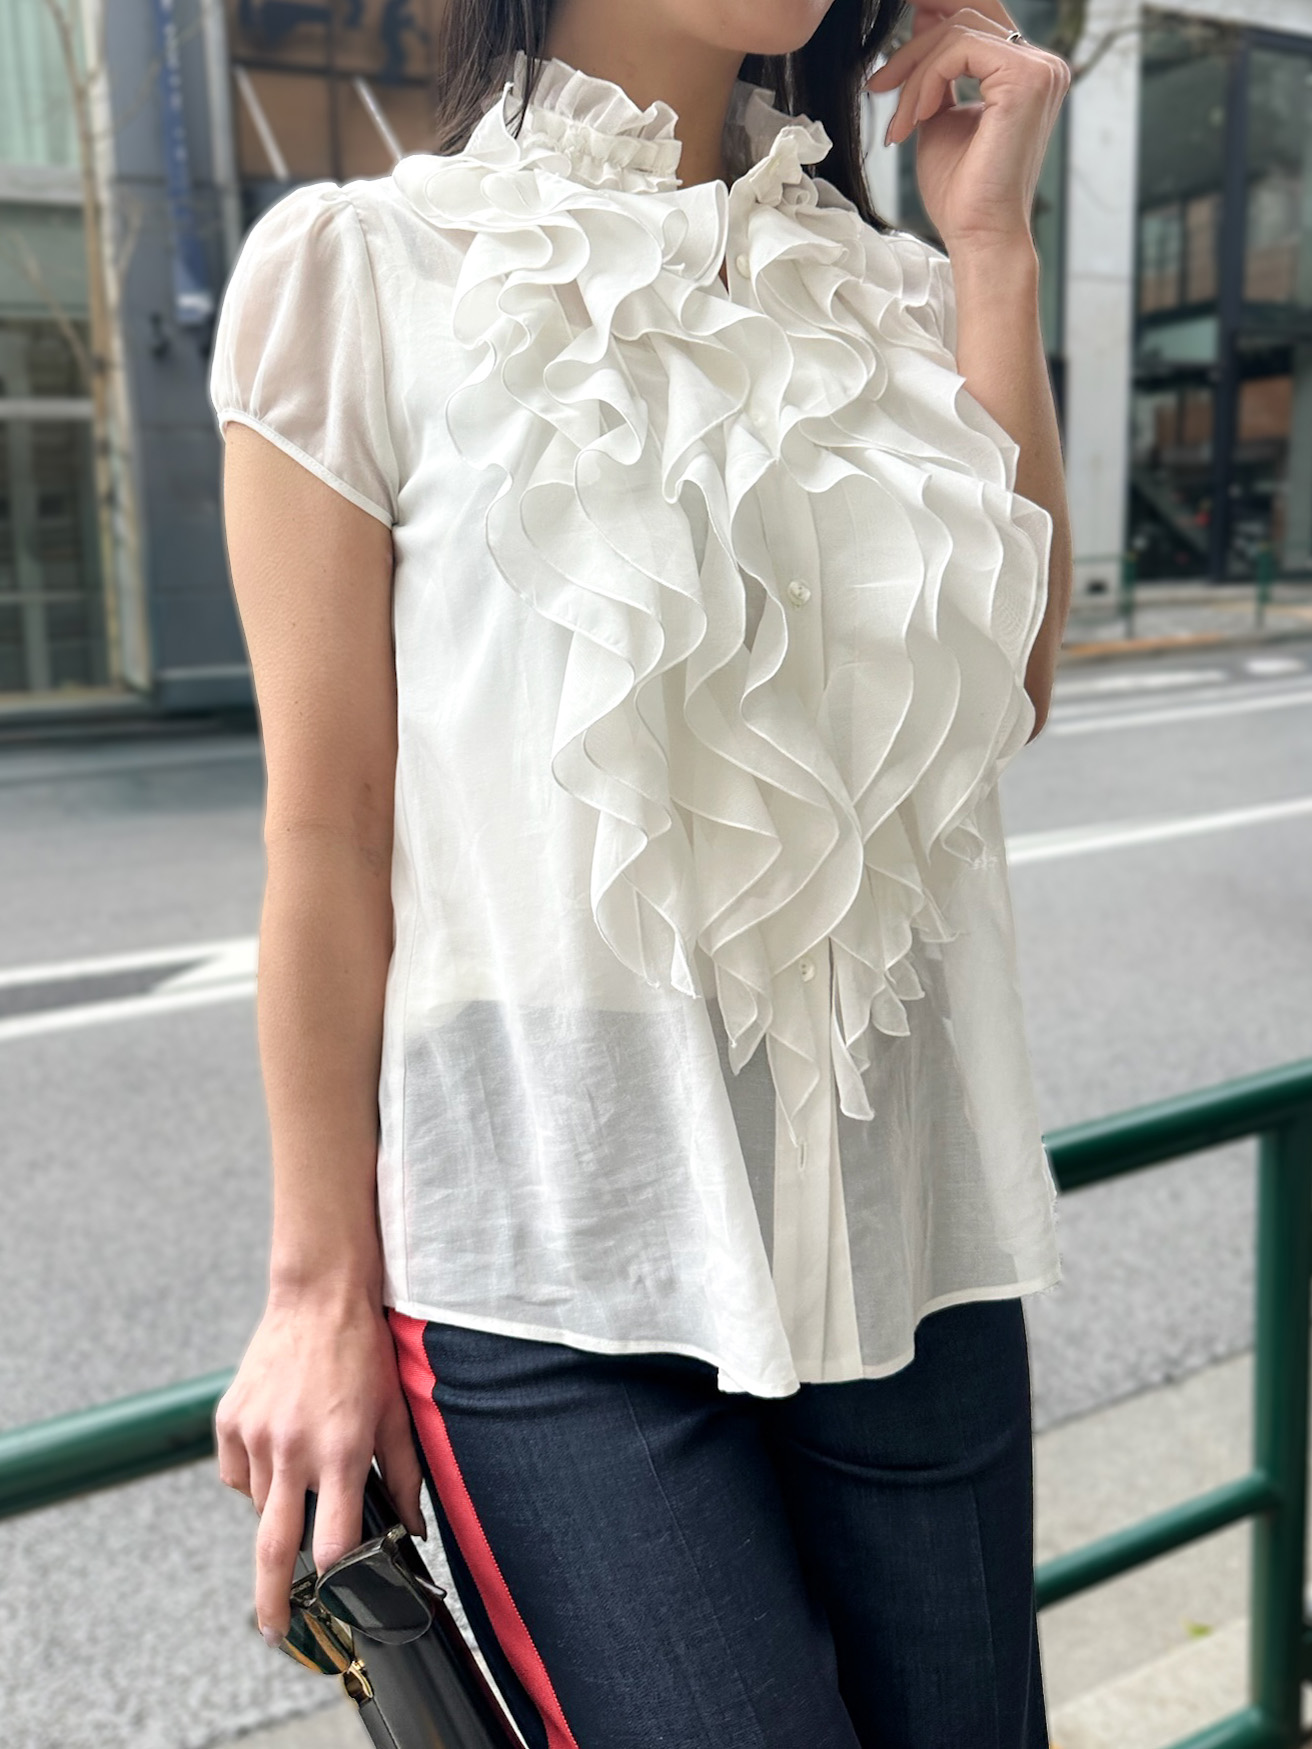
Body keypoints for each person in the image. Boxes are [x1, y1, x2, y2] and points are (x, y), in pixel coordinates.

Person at [210, 0, 1073, 1743]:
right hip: (556, 1270)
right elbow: (326, 829)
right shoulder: (360, 274)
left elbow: (1013, 685)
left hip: (905, 1239)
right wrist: (316, 1289)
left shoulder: (899, 296)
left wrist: (993, 250)